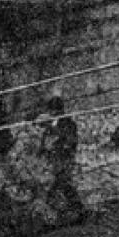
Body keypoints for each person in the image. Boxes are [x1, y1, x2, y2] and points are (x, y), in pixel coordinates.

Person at [40, 96, 83, 224]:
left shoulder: (68, 124)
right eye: (51, 111)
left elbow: (71, 142)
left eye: (53, 111)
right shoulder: (50, 125)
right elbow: (45, 141)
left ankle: (72, 211)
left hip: (64, 160)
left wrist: (56, 145)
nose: (51, 113)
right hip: (54, 161)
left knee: (61, 185)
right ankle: (73, 210)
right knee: (61, 186)